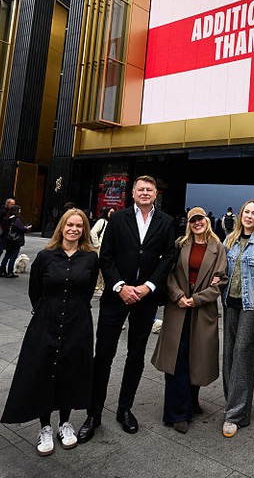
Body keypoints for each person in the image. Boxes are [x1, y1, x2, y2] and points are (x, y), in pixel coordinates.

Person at [80, 176, 176, 442]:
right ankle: (94, 413)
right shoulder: (118, 219)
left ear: (156, 194)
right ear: (133, 193)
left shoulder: (166, 222)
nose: (145, 193)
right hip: (116, 296)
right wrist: (120, 286)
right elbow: (106, 256)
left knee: (135, 355)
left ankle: (125, 409)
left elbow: (168, 257)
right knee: (104, 355)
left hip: (145, 298)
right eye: (140, 189)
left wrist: (149, 286)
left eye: (149, 190)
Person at [1, 208, 99, 456]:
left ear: (84, 230)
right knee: (43, 370)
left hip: (77, 322)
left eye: (79, 226)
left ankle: (65, 423)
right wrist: (45, 310)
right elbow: (35, 290)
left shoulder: (90, 258)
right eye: (70, 225)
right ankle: (44, 427)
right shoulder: (45, 256)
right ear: (62, 228)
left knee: (70, 370)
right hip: (46, 321)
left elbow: (87, 291)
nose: (74, 229)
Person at [151, 207, 228, 434]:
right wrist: (179, 297)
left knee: (197, 357)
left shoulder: (218, 248)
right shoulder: (179, 245)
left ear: (207, 221)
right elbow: (169, 274)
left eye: (200, 219)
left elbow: (220, 281)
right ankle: (177, 414)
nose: (197, 224)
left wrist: (197, 299)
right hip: (179, 309)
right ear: (189, 224)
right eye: (193, 220)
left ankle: (192, 402)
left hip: (202, 310)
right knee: (177, 359)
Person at [220, 200, 254, 438]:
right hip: (230, 302)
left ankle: (235, 415)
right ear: (240, 215)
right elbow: (222, 270)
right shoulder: (229, 240)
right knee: (229, 353)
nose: (249, 216)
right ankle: (231, 404)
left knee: (243, 353)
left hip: (252, 305)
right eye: (247, 212)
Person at [0, 205, 30, 277]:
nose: (20, 211)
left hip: (7, 239)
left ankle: (2, 270)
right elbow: (20, 229)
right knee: (13, 256)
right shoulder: (17, 219)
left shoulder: (7, 218)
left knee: (7, 255)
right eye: (19, 210)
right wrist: (26, 228)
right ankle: (10, 272)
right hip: (15, 240)